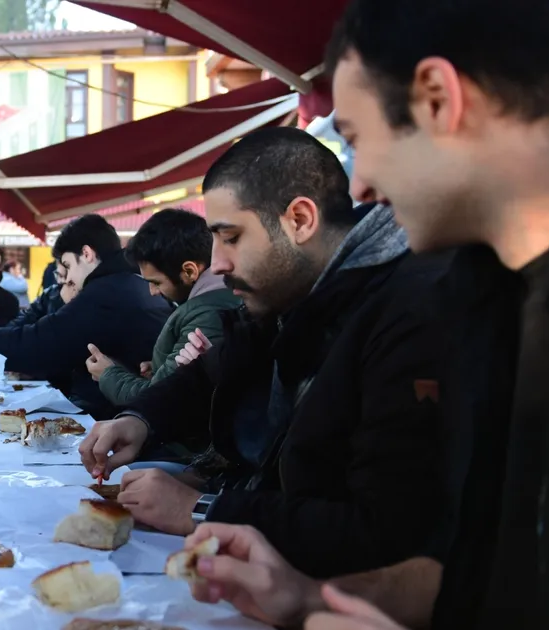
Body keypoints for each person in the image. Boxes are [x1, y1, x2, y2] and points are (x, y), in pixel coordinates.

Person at [180, 1, 549, 628]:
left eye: (357, 139)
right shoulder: (483, 294)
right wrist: (306, 598)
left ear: (435, 98)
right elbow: (476, 567)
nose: (360, 185)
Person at [80, 128, 449, 579]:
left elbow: (384, 529)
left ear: (299, 220)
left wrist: (203, 510)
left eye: (230, 237)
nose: (217, 262)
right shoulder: (288, 299)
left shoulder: (404, 317)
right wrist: (137, 420)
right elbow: (210, 373)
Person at [0, 215, 171, 418]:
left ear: (86, 254)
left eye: (68, 266)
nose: (68, 278)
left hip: (126, 420)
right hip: (133, 411)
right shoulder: (130, 283)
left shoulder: (106, 292)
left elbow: (45, 342)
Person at [88, 209, 240, 407]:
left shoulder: (208, 315)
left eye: (156, 282)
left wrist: (108, 375)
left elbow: (160, 399)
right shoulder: (209, 303)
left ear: (189, 271)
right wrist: (161, 366)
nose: (152, 292)